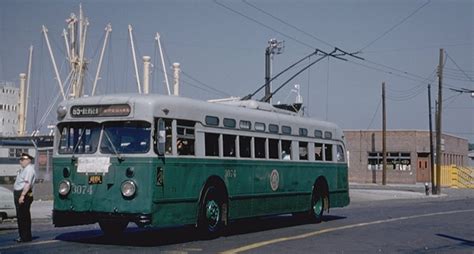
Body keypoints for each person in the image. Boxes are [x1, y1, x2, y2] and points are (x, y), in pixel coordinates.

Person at [13, 153, 36, 243]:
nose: (20, 161)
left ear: (28, 160)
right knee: (20, 216)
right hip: (19, 193)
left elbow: (27, 184)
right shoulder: (24, 169)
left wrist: (22, 196)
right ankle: (22, 236)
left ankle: (25, 237)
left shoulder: (29, 170)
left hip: (24, 194)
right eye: (20, 159)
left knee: (23, 216)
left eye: (23, 159)